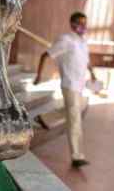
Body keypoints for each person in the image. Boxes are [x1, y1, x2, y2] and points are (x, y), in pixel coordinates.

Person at [34, 12, 96, 168]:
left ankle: (45, 118)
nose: (84, 27)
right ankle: (77, 156)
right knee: (75, 119)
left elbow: (86, 61)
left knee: (78, 108)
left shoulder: (82, 41)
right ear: (73, 24)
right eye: (81, 23)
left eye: (85, 23)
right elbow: (45, 55)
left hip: (80, 86)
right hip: (69, 85)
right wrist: (38, 77)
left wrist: (93, 73)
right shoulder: (65, 40)